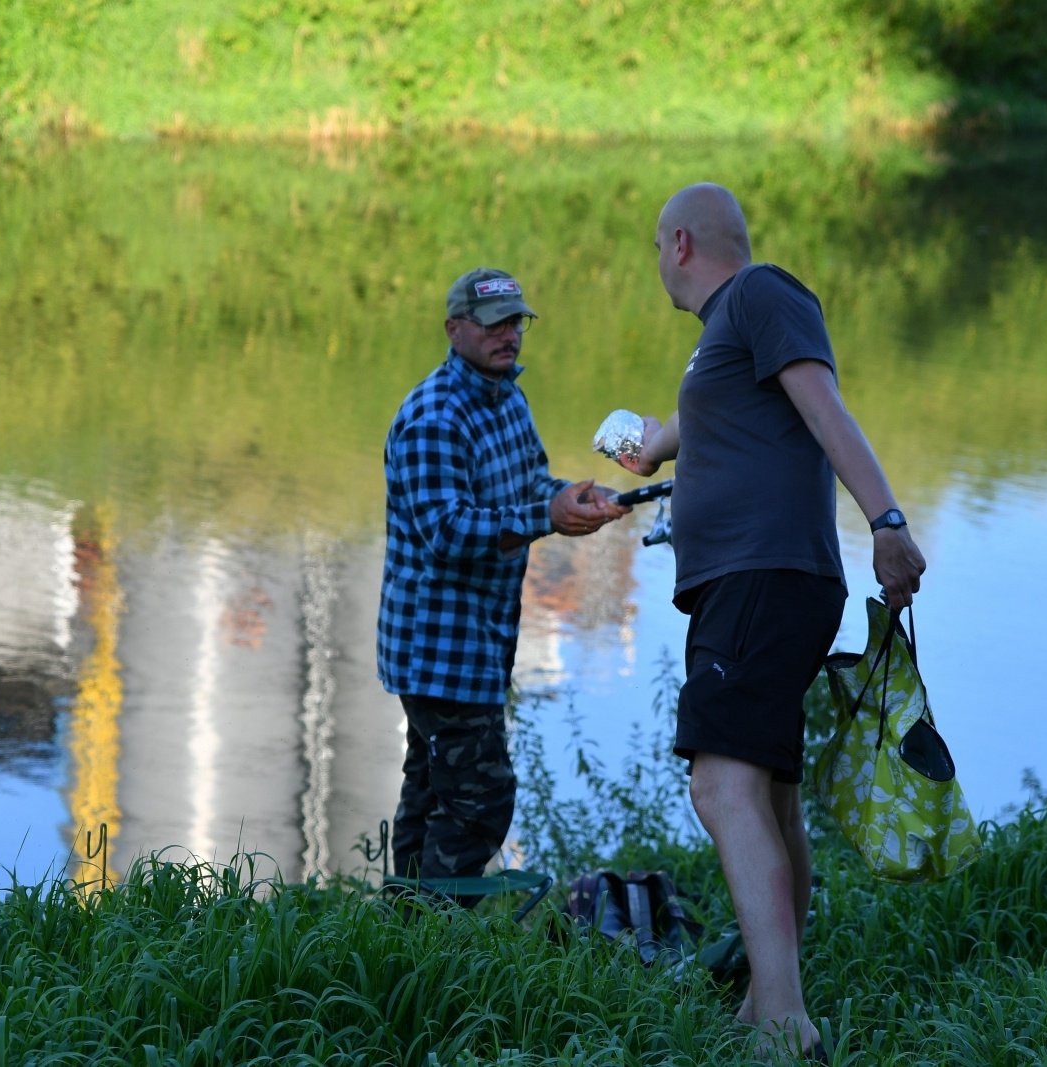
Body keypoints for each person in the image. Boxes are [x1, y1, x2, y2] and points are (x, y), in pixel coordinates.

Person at [619, 184, 927, 1061]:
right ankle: (766, 998)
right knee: (772, 794)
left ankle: (784, 1020)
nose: (658, 265)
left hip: (761, 578)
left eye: (655, 250)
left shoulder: (761, 294)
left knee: (720, 786)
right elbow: (683, 428)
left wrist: (888, 522)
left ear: (680, 244)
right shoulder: (721, 342)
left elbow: (825, 410)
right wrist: (646, 447)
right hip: (756, 583)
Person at [377, 267, 628, 883]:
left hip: (479, 644)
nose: (507, 335)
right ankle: (428, 935)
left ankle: (400, 936)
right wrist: (546, 516)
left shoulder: (508, 398)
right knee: (480, 803)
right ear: (455, 329)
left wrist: (570, 496)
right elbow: (451, 532)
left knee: (432, 790)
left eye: (516, 322)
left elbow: (530, 485)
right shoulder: (434, 417)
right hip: (438, 649)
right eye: (493, 324)